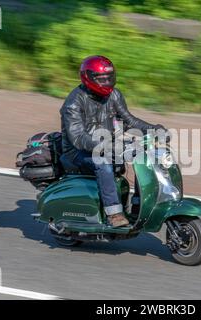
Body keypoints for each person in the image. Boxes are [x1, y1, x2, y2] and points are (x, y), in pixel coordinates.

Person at [60, 55, 166, 227]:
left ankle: (140, 204)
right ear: (88, 78)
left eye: (110, 77)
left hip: (107, 145)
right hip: (78, 152)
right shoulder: (73, 103)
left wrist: (154, 130)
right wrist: (106, 146)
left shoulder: (114, 95)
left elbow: (129, 121)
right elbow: (79, 138)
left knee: (143, 154)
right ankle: (114, 214)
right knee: (103, 162)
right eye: (102, 79)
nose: (107, 82)